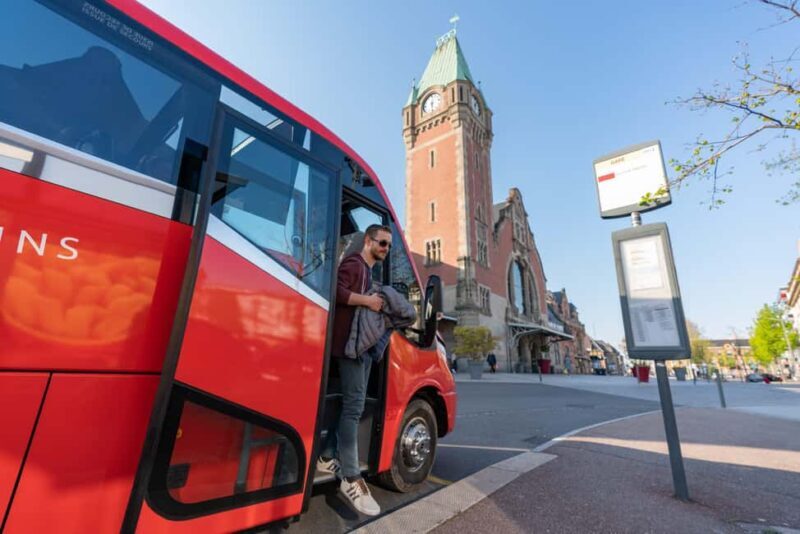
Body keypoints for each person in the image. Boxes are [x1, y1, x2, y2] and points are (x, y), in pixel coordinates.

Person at [316, 224, 390, 517]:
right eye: (382, 243)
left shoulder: (367, 272)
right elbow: (335, 291)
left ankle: (326, 456)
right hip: (350, 348)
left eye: (388, 245)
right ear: (369, 241)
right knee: (354, 408)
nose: (385, 248)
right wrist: (369, 301)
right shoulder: (354, 263)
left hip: (358, 347)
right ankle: (350, 476)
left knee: (351, 406)